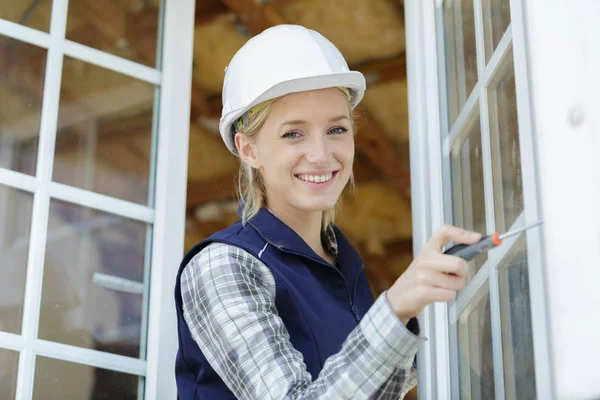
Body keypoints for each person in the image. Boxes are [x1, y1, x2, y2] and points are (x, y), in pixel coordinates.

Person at [174, 24, 482, 399]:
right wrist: (396, 307)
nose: (321, 155)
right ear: (249, 150)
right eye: (293, 134)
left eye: (337, 129)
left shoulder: (342, 265)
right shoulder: (223, 266)